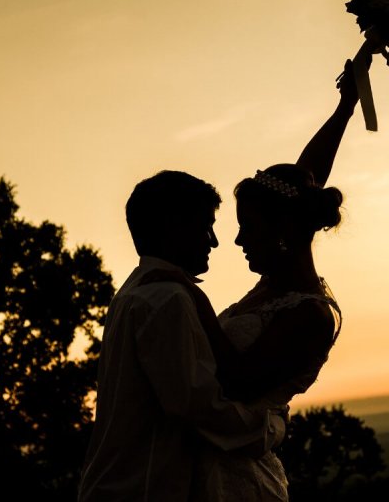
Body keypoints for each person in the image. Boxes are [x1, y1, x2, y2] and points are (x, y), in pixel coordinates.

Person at [153, 59, 365, 500]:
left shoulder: (310, 315)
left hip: (238, 484)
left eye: (248, 226)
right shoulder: (273, 285)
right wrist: (345, 109)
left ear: (284, 230)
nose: (236, 239)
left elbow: (236, 382)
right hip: (196, 471)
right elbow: (307, 175)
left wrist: (189, 295)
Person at [77, 171, 287, 502]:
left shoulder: (133, 291)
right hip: (143, 490)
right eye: (205, 226)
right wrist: (271, 428)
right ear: (172, 226)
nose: (214, 241)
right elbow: (197, 406)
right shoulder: (167, 299)